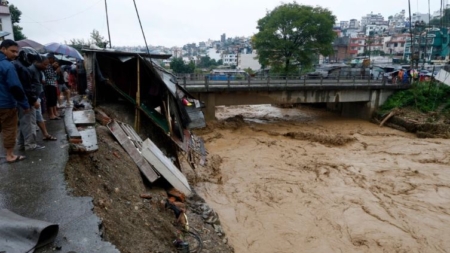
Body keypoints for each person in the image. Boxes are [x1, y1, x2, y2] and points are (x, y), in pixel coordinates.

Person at [0, 39, 29, 163]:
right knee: (9, 129)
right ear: (3, 49)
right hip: (6, 104)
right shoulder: (7, 66)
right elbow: (15, 87)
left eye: (17, 52)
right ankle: (10, 155)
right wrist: (25, 104)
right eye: (12, 51)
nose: (15, 54)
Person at [12, 47, 45, 151]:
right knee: (30, 122)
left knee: (24, 122)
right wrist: (34, 100)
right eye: (32, 60)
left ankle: (23, 143)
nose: (32, 62)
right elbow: (27, 88)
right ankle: (30, 145)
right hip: (26, 100)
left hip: (19, 100)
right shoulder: (23, 69)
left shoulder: (16, 65)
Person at [28, 56, 57, 141]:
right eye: (45, 64)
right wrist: (34, 99)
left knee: (38, 116)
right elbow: (29, 86)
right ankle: (29, 143)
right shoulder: (31, 70)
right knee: (31, 120)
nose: (46, 66)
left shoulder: (39, 70)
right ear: (37, 62)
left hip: (37, 96)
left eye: (47, 65)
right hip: (33, 98)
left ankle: (45, 134)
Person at [43, 53, 60, 119]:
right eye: (52, 59)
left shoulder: (52, 66)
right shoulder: (47, 66)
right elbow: (50, 75)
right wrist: (55, 71)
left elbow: (56, 77)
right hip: (49, 84)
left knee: (54, 99)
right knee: (50, 99)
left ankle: (55, 113)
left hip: (53, 84)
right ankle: (51, 114)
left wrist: (56, 71)